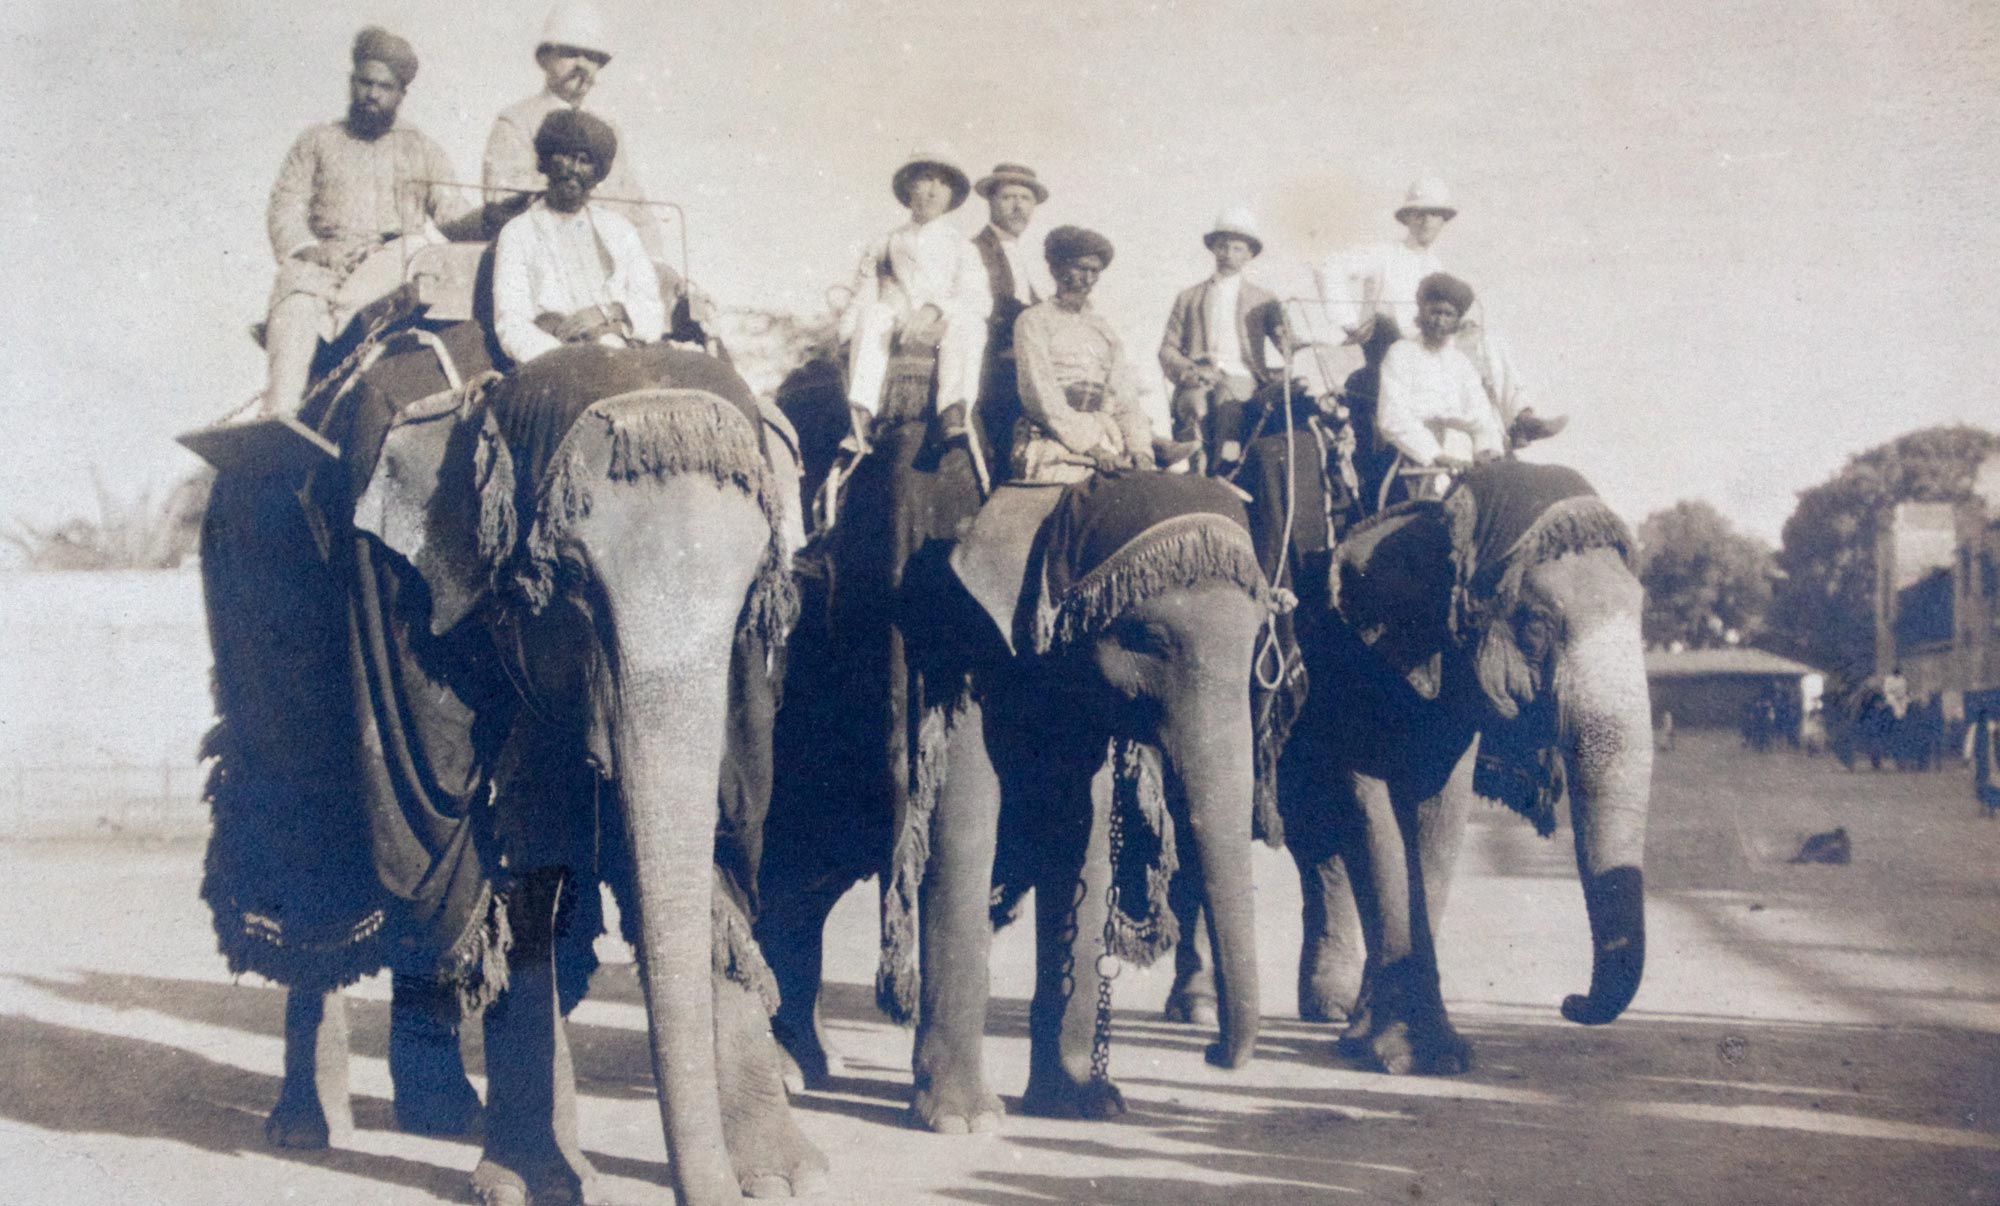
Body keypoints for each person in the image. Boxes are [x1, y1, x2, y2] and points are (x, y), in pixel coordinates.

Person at [260, 27, 466, 415]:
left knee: (412, 252)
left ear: (401, 95)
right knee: (295, 306)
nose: (372, 94)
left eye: (384, 87)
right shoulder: (317, 142)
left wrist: (493, 218)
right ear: (352, 83)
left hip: (388, 267)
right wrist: (309, 250)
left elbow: (452, 210)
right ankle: (277, 420)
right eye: (365, 83)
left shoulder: (421, 148)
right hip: (323, 266)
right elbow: (285, 207)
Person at [1317, 178, 1563, 449]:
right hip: (1389, 346)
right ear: (1407, 218)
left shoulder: (1435, 265)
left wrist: (1462, 326)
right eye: (1418, 214)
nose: (1426, 221)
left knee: (1487, 339)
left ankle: (1520, 420)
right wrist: (1349, 322)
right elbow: (1328, 267)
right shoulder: (1384, 254)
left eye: (1434, 214)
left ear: (1443, 221)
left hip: (1433, 346)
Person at [483, 0, 667, 260]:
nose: (582, 64)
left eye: (592, 57)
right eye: (570, 52)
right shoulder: (516, 121)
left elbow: (635, 208)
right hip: (540, 257)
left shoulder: (608, 131)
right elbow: (503, 201)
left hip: (607, 258)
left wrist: (654, 264)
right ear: (545, 58)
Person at [1012, 226, 1194, 484]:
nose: (1085, 278)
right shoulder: (1033, 321)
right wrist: (1090, 446)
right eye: (1078, 267)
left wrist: (1140, 450)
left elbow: (1125, 398)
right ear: (1055, 269)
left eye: (1094, 271)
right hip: (1054, 440)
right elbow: (1040, 394)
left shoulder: (1103, 330)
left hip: (1106, 437)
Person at [490, 110, 664, 366]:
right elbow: (512, 323)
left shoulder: (620, 230)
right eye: (566, 156)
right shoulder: (517, 233)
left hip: (624, 356)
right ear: (547, 161)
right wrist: (568, 358)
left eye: (586, 161)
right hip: (553, 365)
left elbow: (650, 309)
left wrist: (608, 314)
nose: (574, 170)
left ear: (598, 173)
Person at [839, 149, 991, 427]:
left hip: (943, 329)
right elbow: (862, 296)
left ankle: (953, 411)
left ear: (951, 195)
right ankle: (861, 413)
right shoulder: (884, 243)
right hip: (892, 329)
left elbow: (977, 297)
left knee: (970, 323)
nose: (933, 191)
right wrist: (846, 336)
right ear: (910, 186)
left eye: (943, 184)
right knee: (872, 314)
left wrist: (935, 310)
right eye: (926, 179)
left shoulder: (962, 247)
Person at [1158, 207, 1289, 472]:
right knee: (1195, 408)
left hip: (1242, 378)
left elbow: (1287, 344)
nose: (1228, 254)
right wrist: (1190, 372)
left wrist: (1291, 347)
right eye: (1222, 247)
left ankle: (1225, 477)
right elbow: (1167, 349)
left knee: (1229, 411)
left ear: (1249, 254)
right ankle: (1197, 480)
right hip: (1198, 378)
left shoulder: (1264, 300)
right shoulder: (1189, 298)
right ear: (1213, 250)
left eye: (1237, 249)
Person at [1374, 273, 1505, 498]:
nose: (1440, 320)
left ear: (1457, 320)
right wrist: (1436, 455)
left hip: (1467, 457)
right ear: (1422, 312)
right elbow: (1392, 416)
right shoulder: (1401, 353)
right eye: (1435, 311)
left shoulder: (1461, 363)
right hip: (1418, 458)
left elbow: (1483, 418)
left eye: (1448, 314)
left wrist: (1486, 450)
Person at [969, 163, 1053, 474]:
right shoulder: (975, 250)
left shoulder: (1029, 255)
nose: (1018, 206)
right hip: (996, 359)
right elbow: (989, 309)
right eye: (1008, 197)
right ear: (990, 201)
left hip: (1028, 353)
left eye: (1025, 198)